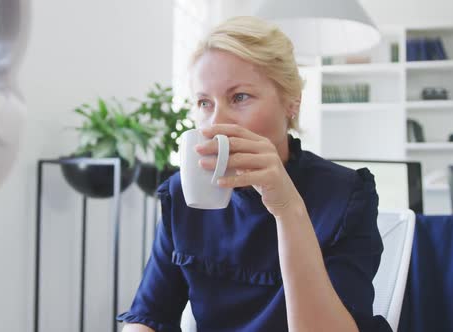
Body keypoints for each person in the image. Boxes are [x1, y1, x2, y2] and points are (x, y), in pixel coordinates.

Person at [118, 16, 392, 332]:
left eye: (239, 97)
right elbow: (148, 316)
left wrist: (288, 209)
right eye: (204, 102)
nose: (216, 121)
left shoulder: (345, 195)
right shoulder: (183, 194)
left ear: (291, 102)